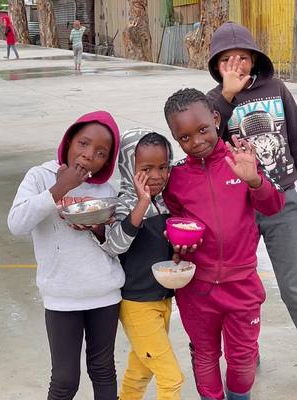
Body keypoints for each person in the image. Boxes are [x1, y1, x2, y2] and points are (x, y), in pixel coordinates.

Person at [163, 88, 285, 400]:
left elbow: (273, 205)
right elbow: (175, 223)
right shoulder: (175, 179)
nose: (197, 141)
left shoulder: (240, 160)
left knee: (242, 360)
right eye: (185, 137)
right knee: (204, 355)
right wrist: (177, 243)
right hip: (197, 289)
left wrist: (255, 180)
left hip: (241, 284)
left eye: (202, 129)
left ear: (216, 119)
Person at [7, 110, 125, 400]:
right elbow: (17, 224)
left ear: (107, 161)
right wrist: (60, 189)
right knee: (64, 380)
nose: (88, 156)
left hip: (104, 293)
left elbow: (114, 242)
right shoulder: (39, 176)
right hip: (62, 296)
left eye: (100, 153)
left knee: (103, 371)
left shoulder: (105, 188)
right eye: (83, 144)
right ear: (69, 140)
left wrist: (98, 229)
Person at [207, 21, 297, 329]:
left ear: (254, 59)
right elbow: (207, 148)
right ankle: (243, 351)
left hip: (282, 200)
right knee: (238, 289)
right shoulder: (212, 101)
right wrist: (227, 96)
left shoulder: (277, 89)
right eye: (226, 60)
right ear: (216, 66)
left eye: (242, 57)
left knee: (293, 285)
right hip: (237, 208)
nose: (236, 65)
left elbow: (294, 137)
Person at [103, 129, 184, 400]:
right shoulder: (124, 205)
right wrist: (142, 202)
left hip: (162, 300)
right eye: (146, 168)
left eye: (163, 166)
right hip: (137, 305)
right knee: (171, 377)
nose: (157, 175)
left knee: (140, 372)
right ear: (128, 167)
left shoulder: (166, 203)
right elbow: (115, 246)